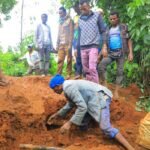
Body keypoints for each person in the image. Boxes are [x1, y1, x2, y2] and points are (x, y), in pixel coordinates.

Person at [48, 74, 135, 150]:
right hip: (93, 98)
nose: (54, 91)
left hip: (102, 96)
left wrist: (69, 123)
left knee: (105, 127)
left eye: (53, 89)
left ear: (58, 86)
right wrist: (57, 115)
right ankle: (85, 136)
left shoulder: (68, 87)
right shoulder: (67, 86)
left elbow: (82, 107)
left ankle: (130, 147)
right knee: (81, 123)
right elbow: (71, 104)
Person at [98, 11, 133, 99]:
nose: (113, 20)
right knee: (101, 65)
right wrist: (104, 48)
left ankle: (116, 91)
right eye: (111, 19)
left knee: (120, 72)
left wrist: (130, 52)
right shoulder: (107, 29)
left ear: (118, 18)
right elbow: (105, 41)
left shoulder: (124, 27)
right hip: (111, 53)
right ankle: (105, 86)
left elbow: (129, 39)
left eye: (114, 18)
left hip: (121, 53)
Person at [56, 7, 73, 79]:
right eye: (59, 13)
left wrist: (70, 44)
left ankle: (68, 74)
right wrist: (57, 43)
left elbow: (71, 33)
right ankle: (58, 74)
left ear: (65, 12)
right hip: (61, 44)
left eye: (61, 13)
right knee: (60, 59)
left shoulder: (70, 21)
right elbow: (58, 33)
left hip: (67, 43)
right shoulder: (60, 21)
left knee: (69, 59)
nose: (59, 14)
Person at [72, 2, 83, 79]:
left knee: (84, 55)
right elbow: (73, 28)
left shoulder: (84, 15)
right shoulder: (74, 17)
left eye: (76, 7)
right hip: (76, 38)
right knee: (77, 55)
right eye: (74, 8)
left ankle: (84, 73)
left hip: (84, 37)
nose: (75, 9)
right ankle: (78, 72)